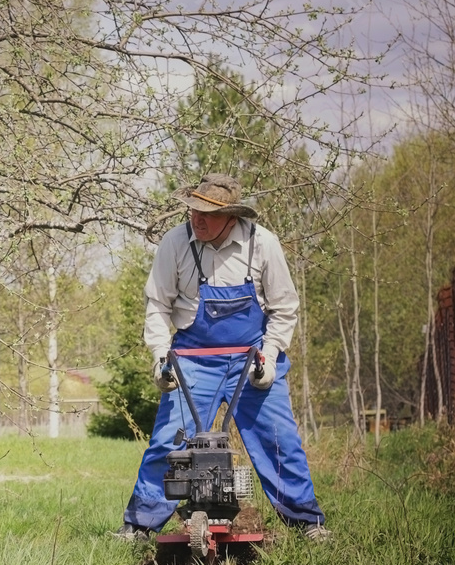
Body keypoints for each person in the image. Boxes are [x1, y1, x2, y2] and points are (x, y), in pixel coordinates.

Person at [116, 173, 330, 542]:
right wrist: (159, 357)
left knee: (277, 439)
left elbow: (284, 307)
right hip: (192, 360)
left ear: (231, 217)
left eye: (207, 214)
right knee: (169, 440)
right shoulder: (176, 242)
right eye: (193, 210)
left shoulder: (262, 243)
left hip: (252, 359)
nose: (196, 219)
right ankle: (138, 526)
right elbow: (157, 306)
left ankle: (307, 523)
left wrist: (271, 354)